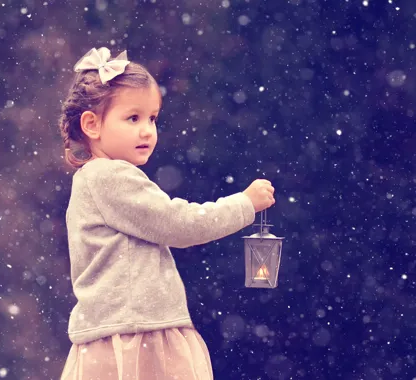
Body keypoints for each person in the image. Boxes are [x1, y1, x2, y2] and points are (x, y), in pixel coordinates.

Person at [58, 47, 275, 380]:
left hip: (120, 332)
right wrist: (244, 204)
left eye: (152, 118)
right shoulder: (110, 177)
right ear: (92, 125)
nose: (147, 130)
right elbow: (180, 224)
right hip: (135, 337)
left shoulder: (96, 179)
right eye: (133, 118)